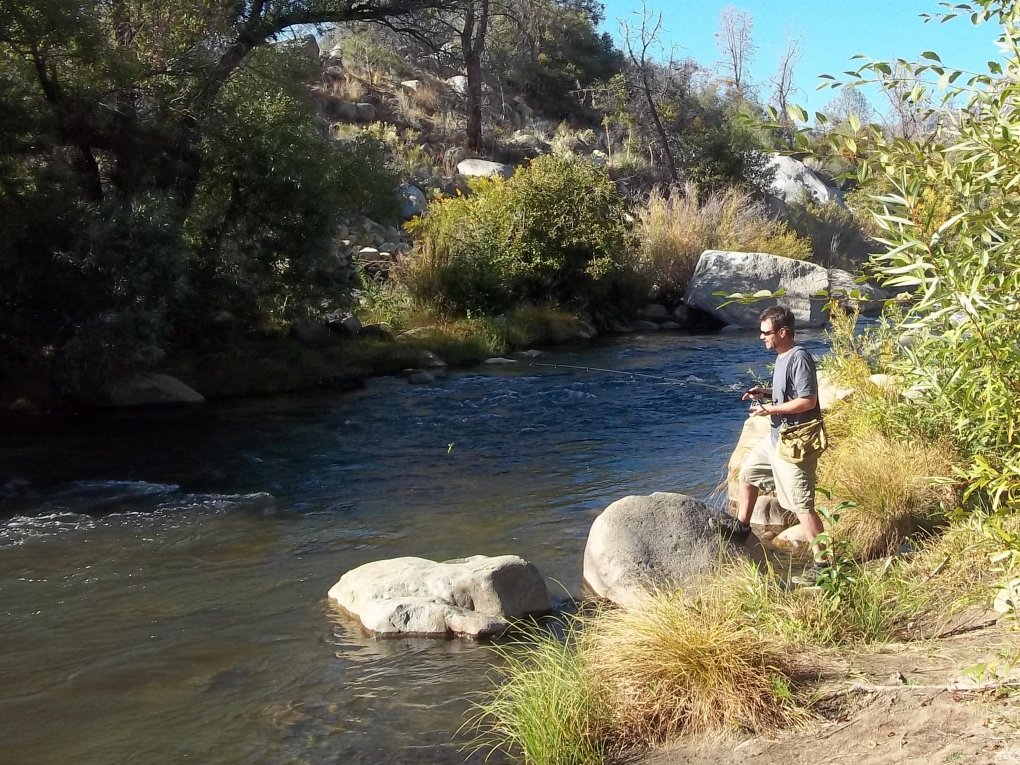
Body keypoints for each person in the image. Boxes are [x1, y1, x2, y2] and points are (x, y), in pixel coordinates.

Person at [721, 305, 827, 567]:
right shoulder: (782, 356)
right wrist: (765, 392)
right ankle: (743, 527)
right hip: (775, 440)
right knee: (748, 474)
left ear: (782, 332)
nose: (761, 337)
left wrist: (769, 409)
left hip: (795, 444)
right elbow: (789, 393)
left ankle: (824, 564)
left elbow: (808, 400)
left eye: (766, 332)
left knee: (803, 507)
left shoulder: (799, 358)